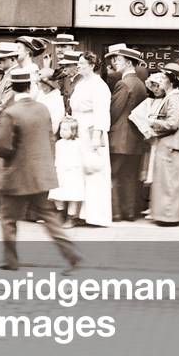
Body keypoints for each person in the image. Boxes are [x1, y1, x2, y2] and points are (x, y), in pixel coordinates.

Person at [0, 69, 81, 272]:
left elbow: (3, 148)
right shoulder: (42, 109)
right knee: (49, 217)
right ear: (30, 86)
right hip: (41, 173)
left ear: (13, 88)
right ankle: (72, 254)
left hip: (16, 175)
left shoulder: (10, 113)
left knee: (7, 219)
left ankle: (11, 260)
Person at [70, 51, 112, 227]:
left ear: (92, 65)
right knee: (80, 171)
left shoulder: (99, 85)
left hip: (92, 130)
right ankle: (78, 213)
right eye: (78, 63)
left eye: (82, 63)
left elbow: (102, 113)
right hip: (79, 128)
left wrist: (97, 137)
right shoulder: (81, 84)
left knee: (93, 171)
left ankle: (95, 216)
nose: (78, 66)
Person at [106, 44, 148, 222]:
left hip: (119, 138)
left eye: (118, 59)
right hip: (135, 138)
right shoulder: (140, 84)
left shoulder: (123, 83)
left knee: (114, 175)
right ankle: (130, 212)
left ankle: (115, 213)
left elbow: (114, 112)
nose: (115, 62)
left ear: (129, 62)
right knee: (130, 176)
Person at [145, 67, 179, 225]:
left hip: (172, 144)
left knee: (169, 182)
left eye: (164, 78)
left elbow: (172, 123)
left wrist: (152, 121)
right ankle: (165, 215)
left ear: (171, 81)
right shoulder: (170, 97)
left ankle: (169, 217)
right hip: (170, 144)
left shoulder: (174, 98)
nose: (161, 81)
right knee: (166, 181)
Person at [49, 117, 85, 227]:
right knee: (57, 194)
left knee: (72, 196)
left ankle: (71, 217)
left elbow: (81, 158)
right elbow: (57, 158)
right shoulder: (59, 143)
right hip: (61, 172)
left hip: (73, 173)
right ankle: (60, 212)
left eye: (65, 129)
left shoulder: (78, 143)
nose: (62, 132)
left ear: (73, 131)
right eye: (61, 129)